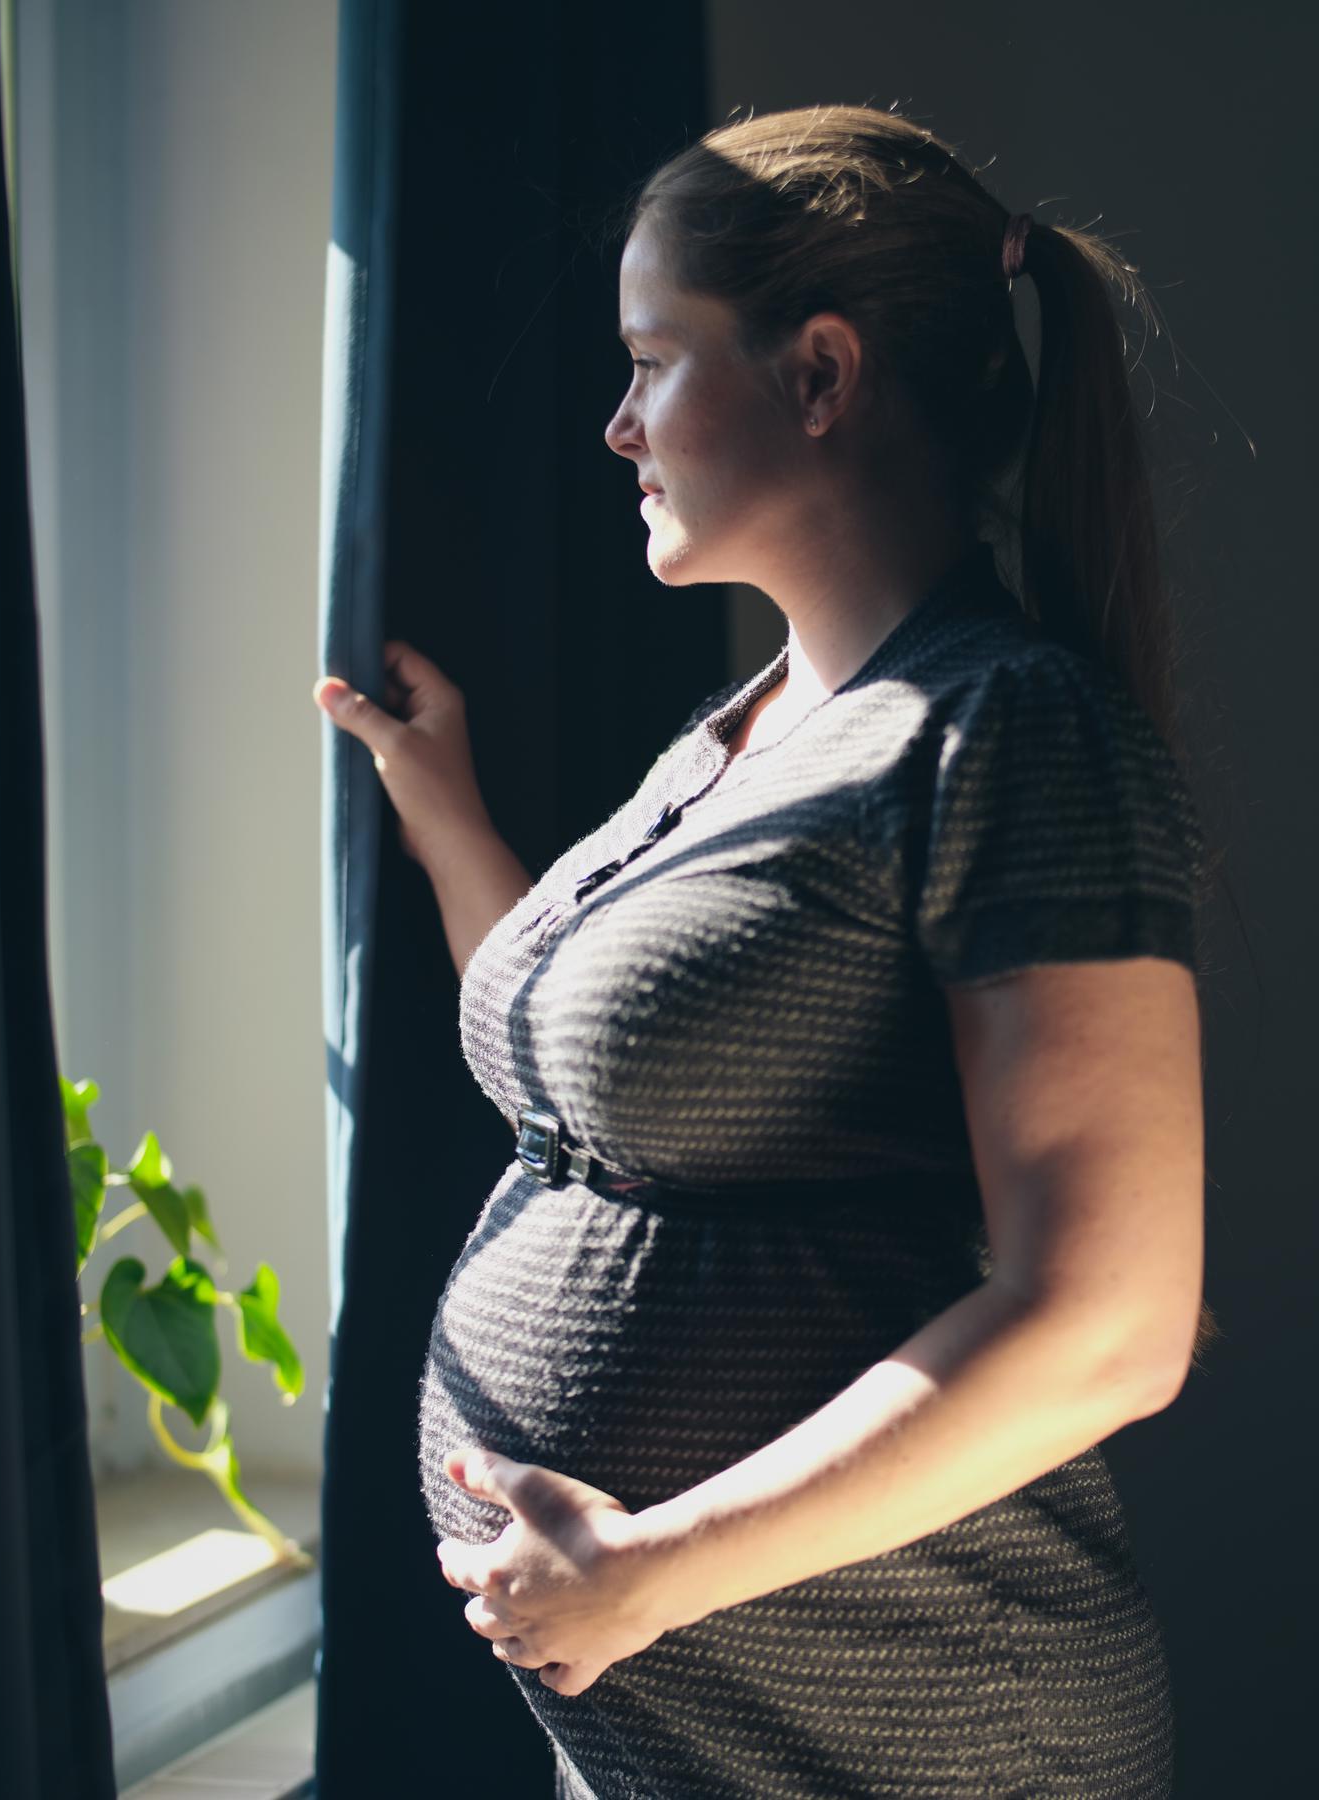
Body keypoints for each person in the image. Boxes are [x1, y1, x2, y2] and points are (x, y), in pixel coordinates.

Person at [314, 101, 1214, 1800]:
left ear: (818, 376)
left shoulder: (1010, 732)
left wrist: (653, 1573)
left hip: (917, 1746)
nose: (615, 422)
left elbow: (1113, 1322)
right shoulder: (753, 729)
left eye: (654, 361)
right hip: (687, 1739)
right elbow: (610, 1081)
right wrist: (444, 815)